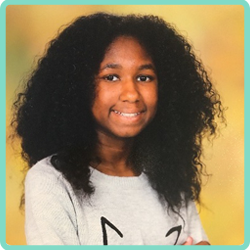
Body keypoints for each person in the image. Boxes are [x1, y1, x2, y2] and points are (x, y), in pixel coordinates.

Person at [12, 12, 224, 245]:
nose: (131, 94)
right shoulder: (51, 181)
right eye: (111, 77)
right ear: (77, 87)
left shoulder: (170, 179)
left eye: (144, 78)